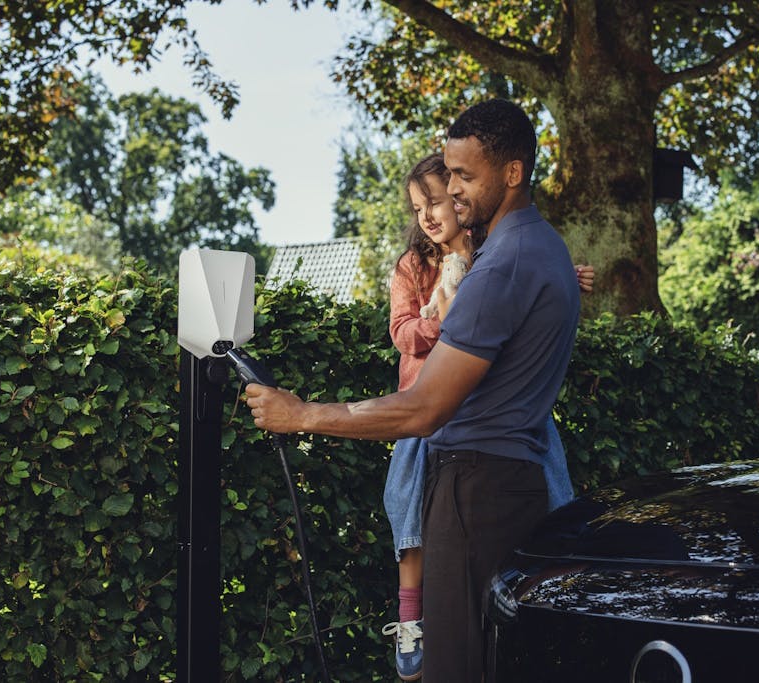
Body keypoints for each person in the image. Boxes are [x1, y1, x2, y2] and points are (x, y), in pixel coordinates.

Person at [244, 98, 582, 683]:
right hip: (511, 486)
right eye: (448, 173)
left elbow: (425, 407)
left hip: (477, 492)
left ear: (513, 173)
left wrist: (301, 414)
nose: (453, 192)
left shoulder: (501, 265)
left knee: (454, 669)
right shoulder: (546, 248)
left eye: (466, 177)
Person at [380, 152, 593, 681]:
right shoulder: (414, 267)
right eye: (418, 206)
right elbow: (404, 332)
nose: (428, 214)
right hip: (427, 407)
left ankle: (564, 578)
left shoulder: (492, 255)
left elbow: (515, 300)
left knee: (555, 490)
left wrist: (561, 275)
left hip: (491, 411)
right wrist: (446, 326)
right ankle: (411, 620)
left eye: (437, 200)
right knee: (407, 515)